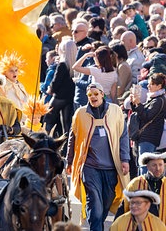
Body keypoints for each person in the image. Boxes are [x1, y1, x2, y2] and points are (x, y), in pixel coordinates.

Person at [66, 82, 130, 231]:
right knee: (94, 201)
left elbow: (123, 136)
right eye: (90, 95)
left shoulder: (115, 111)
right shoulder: (80, 113)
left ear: (102, 94)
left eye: (96, 94)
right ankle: (96, 227)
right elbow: (73, 137)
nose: (93, 97)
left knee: (107, 200)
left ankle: (98, 224)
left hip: (111, 167)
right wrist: (69, 160)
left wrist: (124, 159)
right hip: (89, 167)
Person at [129, 73, 166, 175]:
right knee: (140, 164)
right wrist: (134, 102)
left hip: (149, 137)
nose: (148, 86)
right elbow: (140, 113)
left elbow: (147, 116)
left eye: (151, 84)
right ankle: (141, 187)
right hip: (144, 136)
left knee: (144, 166)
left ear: (159, 86)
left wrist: (138, 103)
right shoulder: (154, 98)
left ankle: (144, 188)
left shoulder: (159, 100)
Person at [116, 151, 166, 224]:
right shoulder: (136, 183)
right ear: (147, 166)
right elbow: (123, 209)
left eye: (160, 165)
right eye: (154, 165)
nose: (158, 168)